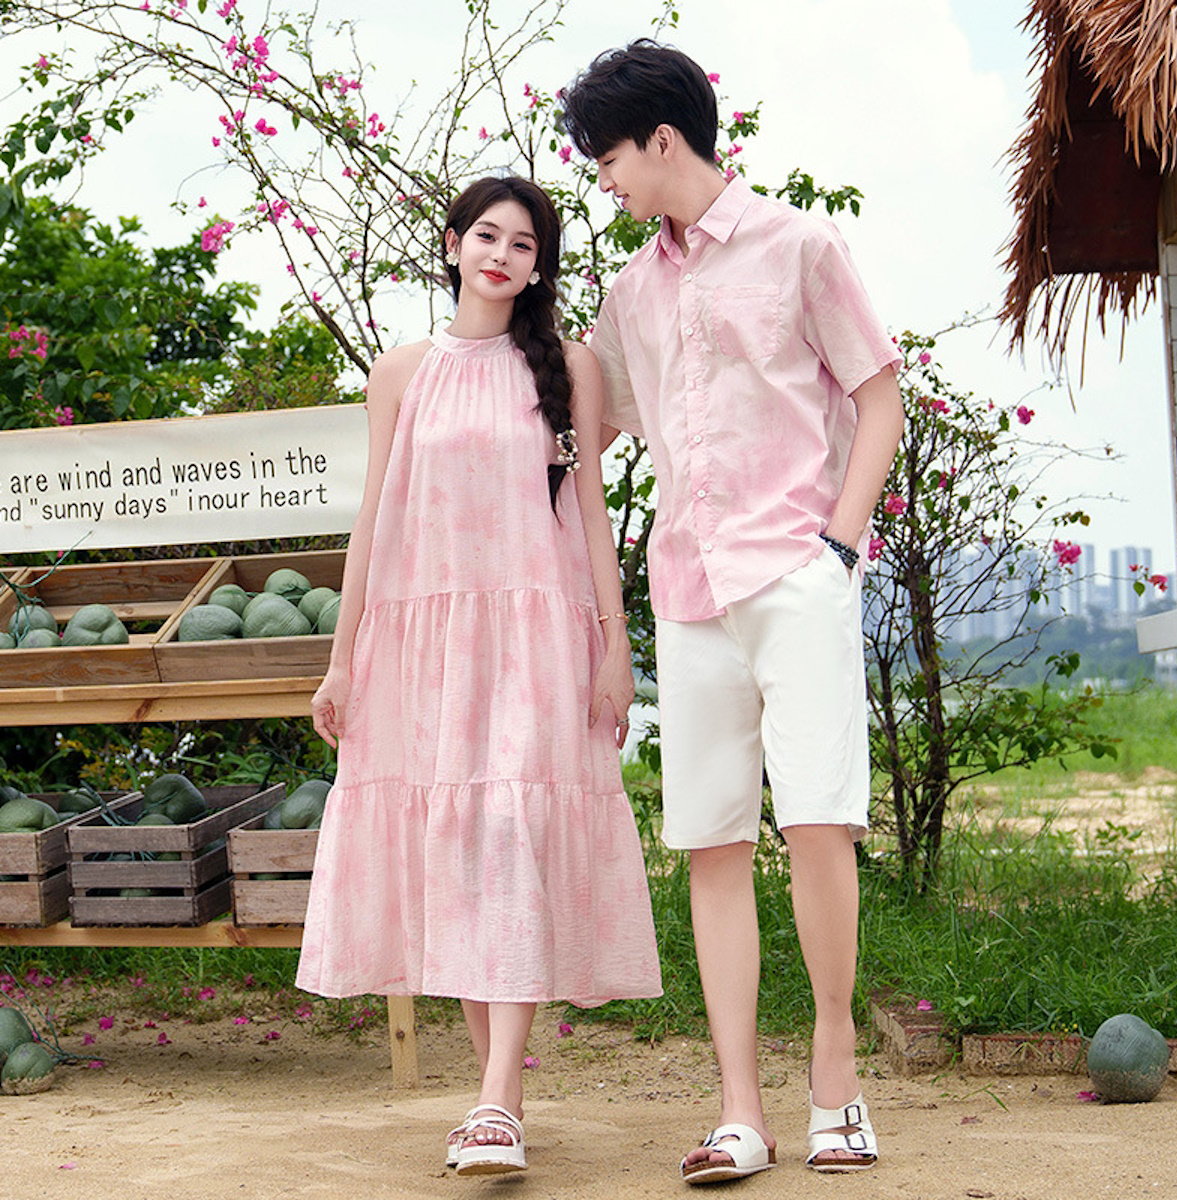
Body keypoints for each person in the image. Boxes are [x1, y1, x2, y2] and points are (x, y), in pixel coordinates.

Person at [561, 40, 904, 1183]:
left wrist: (839, 547)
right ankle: (740, 1110)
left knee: (817, 825)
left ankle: (837, 1080)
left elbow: (876, 392)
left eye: (606, 156)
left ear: (665, 139)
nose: (600, 178)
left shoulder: (799, 244)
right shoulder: (626, 294)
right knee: (710, 843)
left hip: (795, 580)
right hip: (689, 590)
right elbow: (586, 421)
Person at [295, 174, 662, 1178]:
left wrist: (614, 646)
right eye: (487, 237)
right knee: (457, 848)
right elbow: (377, 515)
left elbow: (589, 516)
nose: (503, 255)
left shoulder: (569, 367)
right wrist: (343, 655)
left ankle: (498, 1096)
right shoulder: (402, 370)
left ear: (539, 266)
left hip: (537, 633)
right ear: (453, 245)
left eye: (524, 244)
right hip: (425, 641)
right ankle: (493, 1099)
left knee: (509, 831)